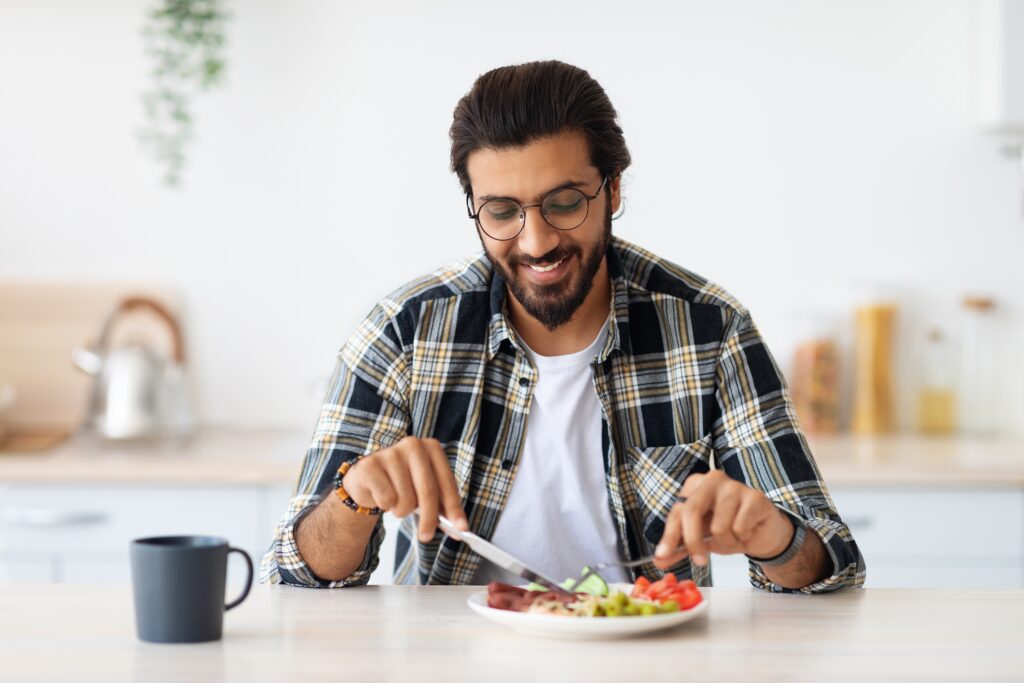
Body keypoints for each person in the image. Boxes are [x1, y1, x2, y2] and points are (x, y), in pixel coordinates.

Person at [261, 60, 865, 593]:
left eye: (565, 202)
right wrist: (355, 496)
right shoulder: (404, 331)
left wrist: (772, 534)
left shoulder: (710, 328)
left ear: (613, 190)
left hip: (649, 659)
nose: (537, 241)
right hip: (449, 661)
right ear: (476, 207)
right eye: (502, 211)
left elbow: (833, 564)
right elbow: (295, 571)